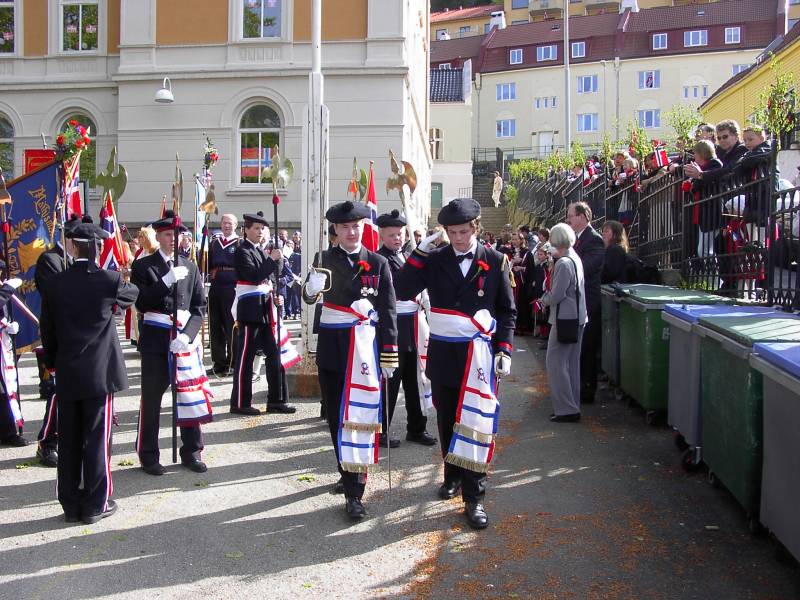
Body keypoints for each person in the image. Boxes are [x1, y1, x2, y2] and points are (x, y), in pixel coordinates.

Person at [395, 198, 516, 530]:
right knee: (448, 421)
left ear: (475, 228)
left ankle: (474, 496)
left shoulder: (495, 260)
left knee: (475, 423)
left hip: (478, 357)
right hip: (446, 354)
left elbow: (507, 311)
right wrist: (419, 252)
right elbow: (403, 290)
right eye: (453, 232)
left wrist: (503, 349)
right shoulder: (435, 261)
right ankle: (452, 476)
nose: (459, 238)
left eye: (464, 231)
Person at [302, 200, 399, 521]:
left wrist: (389, 352)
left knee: (361, 415)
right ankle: (346, 471)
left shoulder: (377, 262)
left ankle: (355, 489)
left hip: (367, 353)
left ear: (363, 227)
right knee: (335, 418)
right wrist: (310, 288)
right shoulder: (323, 259)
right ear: (336, 230)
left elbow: (387, 310)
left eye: (356, 226)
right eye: (345, 227)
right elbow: (309, 296)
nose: (351, 231)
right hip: (334, 349)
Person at [39, 216, 139, 524]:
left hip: (68, 370)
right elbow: (131, 293)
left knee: (68, 439)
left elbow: (48, 330)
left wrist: (54, 363)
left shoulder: (56, 283)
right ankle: (96, 503)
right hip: (98, 374)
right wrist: (115, 300)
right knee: (97, 439)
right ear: (97, 248)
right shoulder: (107, 281)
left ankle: (70, 503)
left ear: (71, 246)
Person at [131, 210, 210, 476]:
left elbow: (199, 307)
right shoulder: (143, 266)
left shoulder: (190, 266)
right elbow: (141, 302)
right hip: (156, 337)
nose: (174, 239)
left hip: (182, 339)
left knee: (189, 394)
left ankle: (192, 450)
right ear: (159, 236)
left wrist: (188, 335)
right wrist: (166, 281)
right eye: (168, 234)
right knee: (152, 398)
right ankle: (148, 454)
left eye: (178, 234)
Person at [376, 209, 437, 449]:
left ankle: (417, 427)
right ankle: (380, 430)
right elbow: (398, 288)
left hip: (414, 322)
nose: (397, 239)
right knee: (392, 381)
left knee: (416, 379)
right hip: (394, 323)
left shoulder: (407, 255)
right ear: (382, 235)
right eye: (392, 235)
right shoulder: (380, 260)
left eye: (400, 234)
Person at [229, 211, 296, 415]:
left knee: (275, 355)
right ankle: (240, 402)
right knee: (246, 357)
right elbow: (254, 276)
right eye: (256, 228)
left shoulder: (259, 251)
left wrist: (276, 296)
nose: (260, 232)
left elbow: (270, 280)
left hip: (267, 308)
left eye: (262, 229)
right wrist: (272, 259)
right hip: (250, 311)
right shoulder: (242, 251)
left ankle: (277, 399)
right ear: (246, 230)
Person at [541, 223, 587, 423]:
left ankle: (565, 408)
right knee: (570, 363)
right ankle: (571, 404)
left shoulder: (563, 263)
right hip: (577, 316)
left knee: (556, 363)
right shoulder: (574, 258)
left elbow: (557, 295)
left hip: (564, 318)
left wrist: (543, 300)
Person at [567, 201, 604, 405]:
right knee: (579, 348)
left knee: (588, 348)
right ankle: (578, 387)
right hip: (578, 301)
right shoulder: (578, 240)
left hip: (589, 302)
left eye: (571, 215)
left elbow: (586, 268)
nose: (568, 219)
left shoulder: (594, 240)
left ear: (582, 217)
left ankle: (587, 390)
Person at [207, 213, 240, 376]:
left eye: (230, 223)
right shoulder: (213, 244)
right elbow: (206, 264)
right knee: (215, 324)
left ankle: (233, 361)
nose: (227, 226)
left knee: (231, 325)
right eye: (224, 223)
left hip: (232, 288)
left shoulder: (240, 243)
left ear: (236, 225)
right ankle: (218, 362)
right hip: (216, 286)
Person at [0, 268, 24, 448]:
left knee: (7, 388)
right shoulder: (4, 290)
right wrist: (6, 291)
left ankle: (9, 431)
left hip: (4, 345)